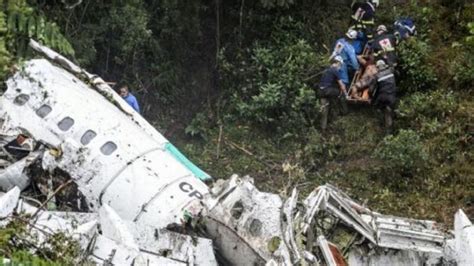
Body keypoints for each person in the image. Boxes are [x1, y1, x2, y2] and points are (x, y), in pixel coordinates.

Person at [318, 56, 348, 131]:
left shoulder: (326, 70)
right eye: (340, 65)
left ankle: (323, 129)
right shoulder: (335, 70)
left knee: (324, 110)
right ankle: (343, 112)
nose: (340, 67)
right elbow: (342, 85)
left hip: (321, 91)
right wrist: (346, 94)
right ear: (338, 63)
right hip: (328, 91)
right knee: (340, 93)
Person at [372, 60, 397, 132]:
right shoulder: (391, 71)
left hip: (382, 97)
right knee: (390, 110)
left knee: (377, 108)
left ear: (377, 67)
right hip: (392, 96)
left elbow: (371, 89)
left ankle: (381, 123)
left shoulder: (377, 76)